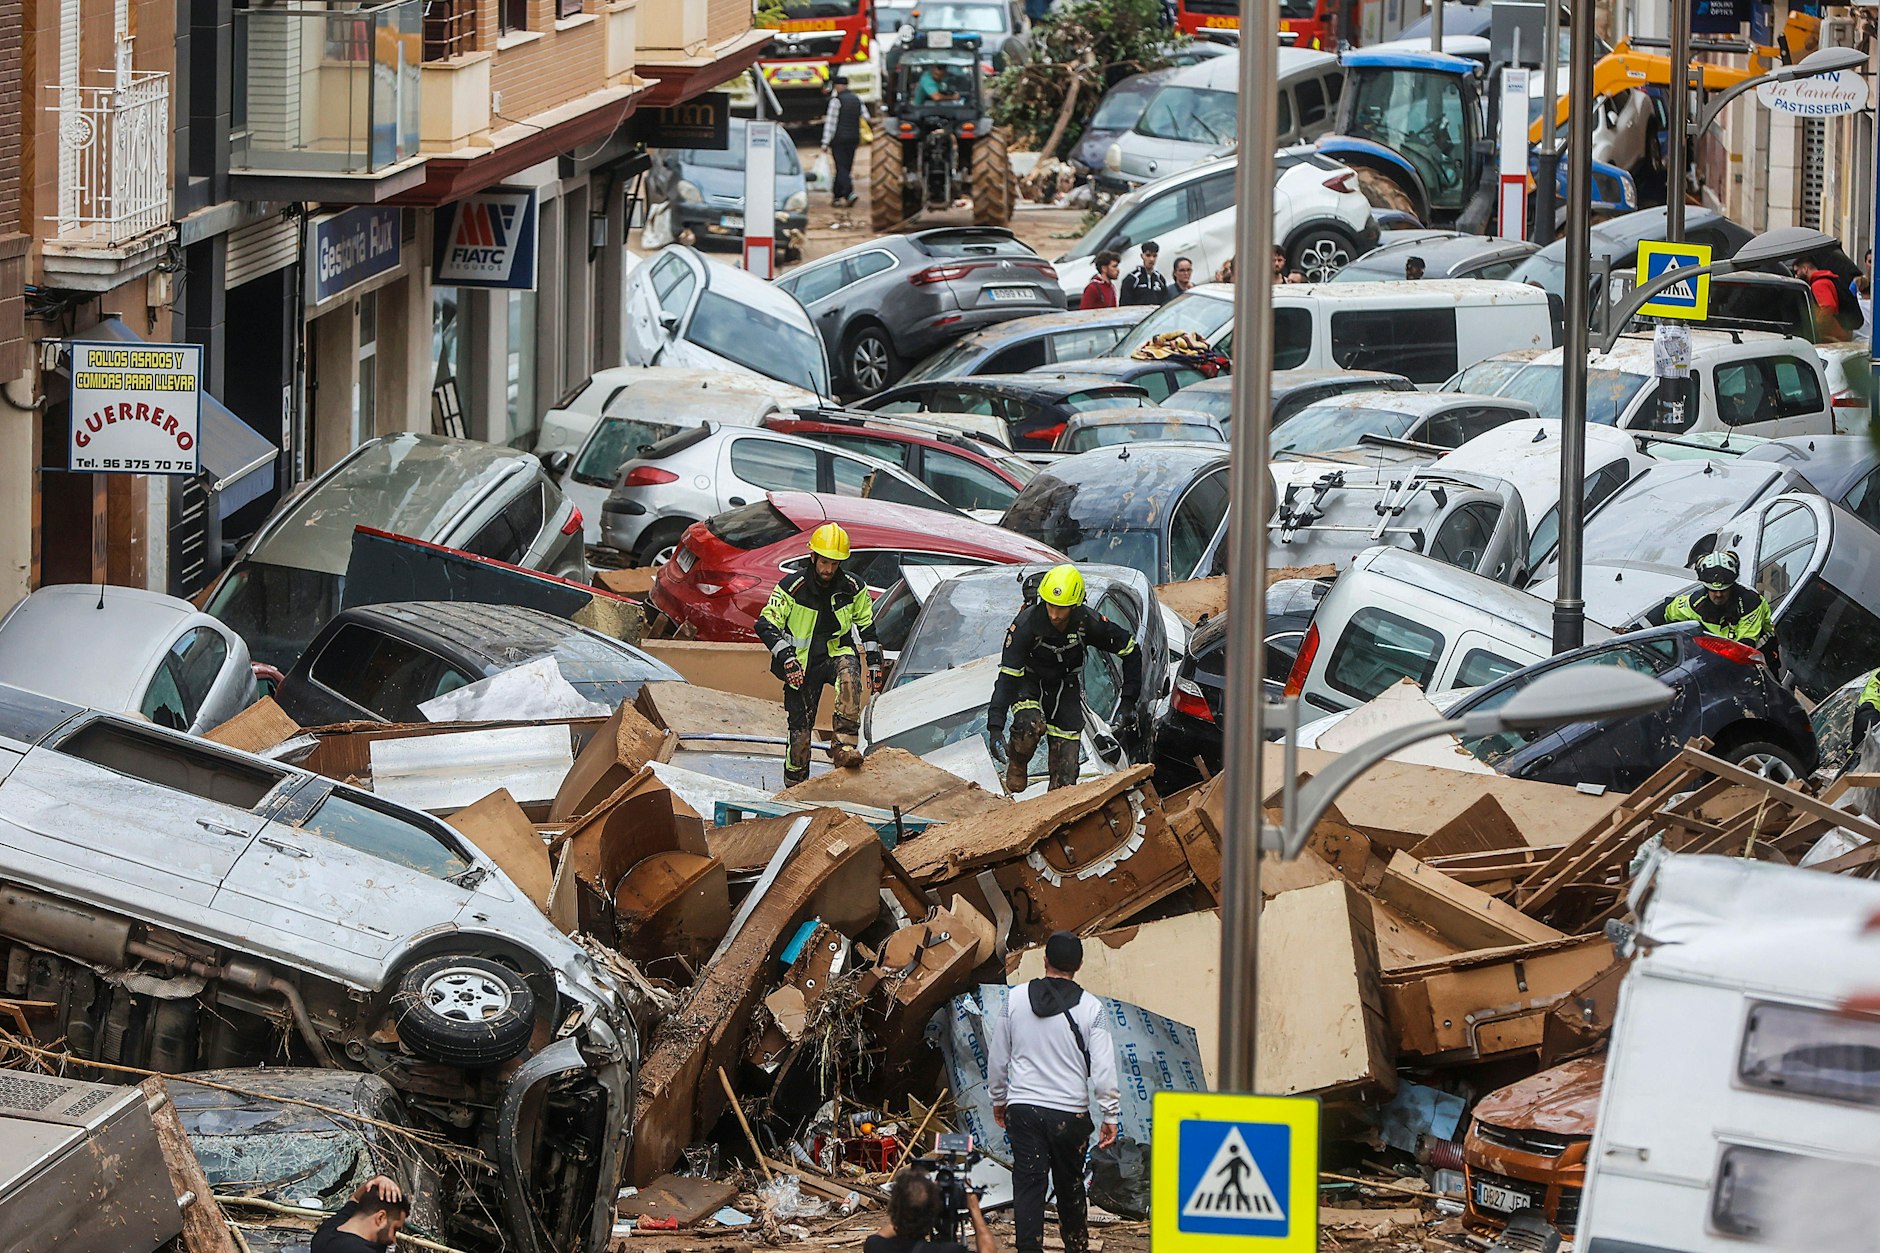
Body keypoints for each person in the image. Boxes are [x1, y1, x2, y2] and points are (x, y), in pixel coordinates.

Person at [989, 931, 1119, 1253]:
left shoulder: (1014, 999)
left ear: (1044, 960)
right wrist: (1110, 1114)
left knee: (1029, 1185)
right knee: (1070, 1186)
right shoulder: (1093, 1009)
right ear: (1079, 966)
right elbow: (1103, 1069)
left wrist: (998, 1099)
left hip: (1024, 1110)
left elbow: (997, 1056)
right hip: (1069, 1114)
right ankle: (1076, 1247)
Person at [986, 563, 1142, 794]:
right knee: (1029, 725)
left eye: (1062, 608)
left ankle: (1056, 813)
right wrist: (995, 727)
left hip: (1065, 687)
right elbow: (1007, 677)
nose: (1055, 615)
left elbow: (1130, 649)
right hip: (1029, 683)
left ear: (1075, 605)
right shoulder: (1025, 625)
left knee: (1067, 775)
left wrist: (1128, 700)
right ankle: (1018, 761)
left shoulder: (1087, 622)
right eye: (1050, 605)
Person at [754, 522, 883, 785]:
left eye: (835, 564)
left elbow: (867, 626)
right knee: (800, 735)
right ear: (813, 557)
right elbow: (765, 624)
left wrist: (874, 664)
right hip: (800, 665)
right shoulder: (792, 587)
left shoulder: (853, 588)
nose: (828, 569)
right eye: (824, 562)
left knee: (849, 675)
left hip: (835, 653)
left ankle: (844, 748)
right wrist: (786, 657)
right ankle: (794, 784)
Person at [1643, 549, 1780, 674]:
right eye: (1713, 590)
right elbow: (1665, 611)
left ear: (1732, 585)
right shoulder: (1695, 603)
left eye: (1723, 590)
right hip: (1723, 659)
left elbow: (1745, 644)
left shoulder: (1751, 602)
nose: (1718, 595)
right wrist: (1633, 630)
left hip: (1761, 659)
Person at [865, 1166, 996, 1253]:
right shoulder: (949, 1251)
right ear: (932, 1212)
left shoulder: (875, 1246)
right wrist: (974, 1208)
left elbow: (883, 1233)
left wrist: (906, 1207)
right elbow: (988, 1250)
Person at [313, 1175, 407, 1253]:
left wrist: (377, 1180)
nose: (394, 1240)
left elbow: (355, 1198)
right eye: (395, 1229)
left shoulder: (326, 1232)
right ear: (381, 1217)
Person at [822, 75, 864, 207]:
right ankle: (837, 196)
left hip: (839, 140)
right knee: (846, 167)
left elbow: (831, 123)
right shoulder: (857, 99)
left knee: (841, 167)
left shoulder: (836, 101)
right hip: (854, 138)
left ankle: (849, 193)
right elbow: (866, 116)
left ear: (838, 86)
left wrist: (825, 142)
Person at [1795, 255, 1853, 341]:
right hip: (1841, 334)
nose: (1796, 276)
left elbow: (1828, 307)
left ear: (1805, 269)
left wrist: (1815, 328)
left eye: (1797, 271)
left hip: (1832, 338)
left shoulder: (1819, 284)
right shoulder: (1828, 279)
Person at [1120, 241, 1171, 306]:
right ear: (1142, 256)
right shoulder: (1132, 279)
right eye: (1148, 255)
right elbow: (1124, 304)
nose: (1151, 259)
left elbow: (1165, 302)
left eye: (1154, 256)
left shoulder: (1160, 279)